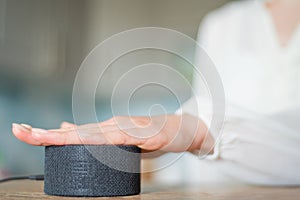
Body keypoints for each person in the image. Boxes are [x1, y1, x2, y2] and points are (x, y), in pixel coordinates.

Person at [12, 0, 300, 185]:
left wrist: (190, 128)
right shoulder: (220, 24)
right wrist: (160, 144)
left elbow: (200, 125)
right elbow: (199, 150)